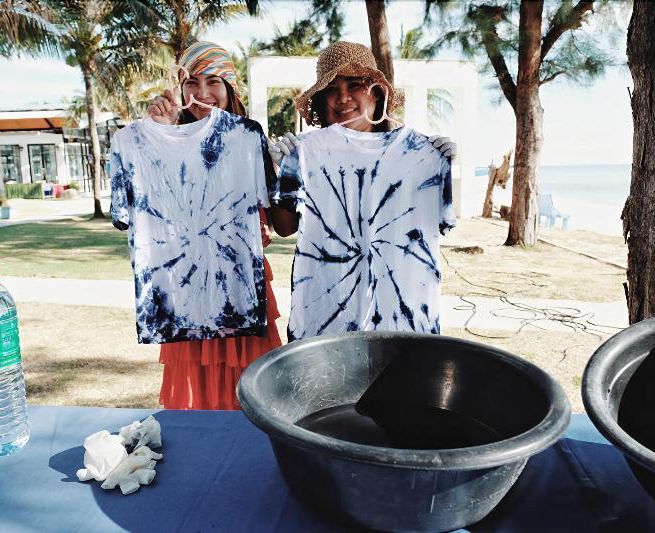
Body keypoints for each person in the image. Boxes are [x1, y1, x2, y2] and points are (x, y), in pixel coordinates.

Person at [266, 41, 456, 341]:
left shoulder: (420, 156)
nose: (343, 97)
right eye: (331, 89)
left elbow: (439, 223)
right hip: (324, 322)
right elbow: (285, 227)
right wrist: (278, 170)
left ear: (376, 93)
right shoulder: (306, 154)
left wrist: (437, 166)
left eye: (355, 85)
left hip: (401, 324)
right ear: (320, 101)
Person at [138, 41, 282, 410]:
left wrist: (284, 173)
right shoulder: (162, 138)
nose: (203, 94)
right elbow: (141, 217)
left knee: (254, 396)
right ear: (181, 88)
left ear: (230, 87)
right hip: (189, 287)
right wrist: (158, 136)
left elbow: (279, 222)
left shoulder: (250, 139)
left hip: (241, 288)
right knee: (195, 406)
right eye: (193, 82)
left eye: (214, 81)